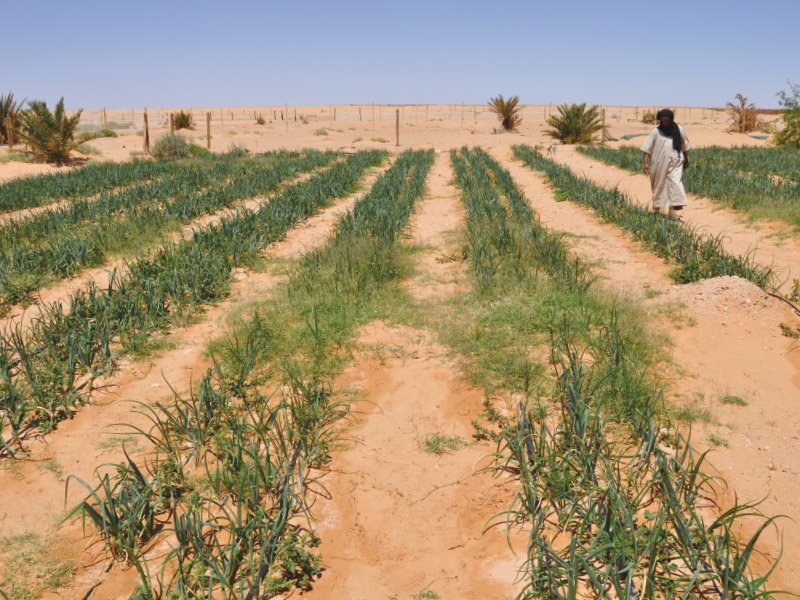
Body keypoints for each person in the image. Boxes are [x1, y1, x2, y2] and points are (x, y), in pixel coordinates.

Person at [640, 109, 691, 219]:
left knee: (675, 183)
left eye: (667, 121)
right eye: (663, 121)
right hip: (659, 163)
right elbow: (647, 149)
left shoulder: (679, 130)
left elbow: (684, 146)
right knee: (659, 185)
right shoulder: (656, 132)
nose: (665, 123)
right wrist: (645, 163)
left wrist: (686, 160)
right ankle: (657, 208)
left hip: (676, 161)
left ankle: (672, 210)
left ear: (671, 120)